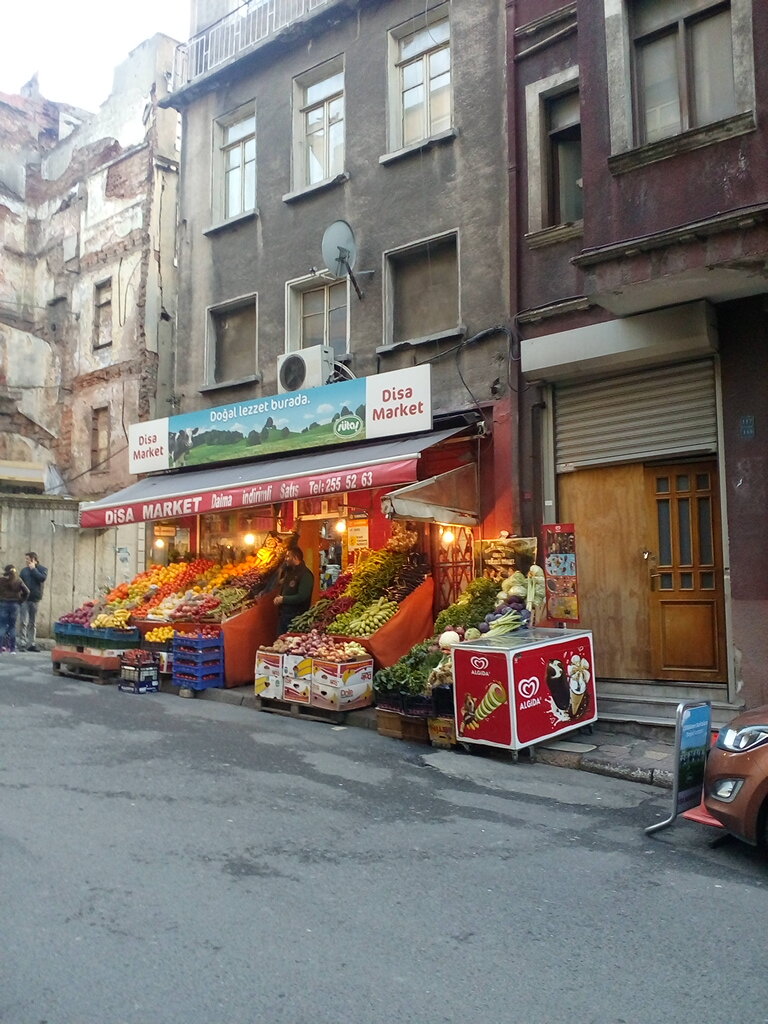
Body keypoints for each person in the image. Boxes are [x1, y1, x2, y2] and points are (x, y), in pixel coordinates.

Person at [273, 546, 314, 633]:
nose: (286, 559)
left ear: (295, 558)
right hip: (285, 615)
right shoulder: (290, 571)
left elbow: (302, 596)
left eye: (288, 556)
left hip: (296, 618)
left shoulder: (306, 575)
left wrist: (283, 599)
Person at [19, 551, 48, 652]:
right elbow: (20, 583)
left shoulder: (42, 569)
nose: (26, 561)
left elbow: (42, 579)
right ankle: (22, 643)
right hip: (24, 600)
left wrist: (33, 569)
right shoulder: (23, 571)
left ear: (34, 559)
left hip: (35, 600)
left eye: (27, 559)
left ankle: (31, 643)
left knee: (33, 622)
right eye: (26, 559)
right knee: (23, 622)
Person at [0, 565, 30, 653]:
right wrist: (21, 600)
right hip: (15, 604)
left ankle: (1, 647)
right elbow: (27, 592)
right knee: (12, 627)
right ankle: (12, 649)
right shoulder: (18, 580)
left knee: (2, 626)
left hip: (3, 603)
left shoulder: (1, 580)